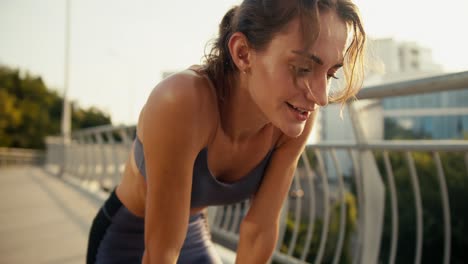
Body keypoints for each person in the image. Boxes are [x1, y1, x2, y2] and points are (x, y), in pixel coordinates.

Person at [86, 0, 367, 263]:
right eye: (303, 68)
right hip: (125, 239)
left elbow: (258, 230)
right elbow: (161, 252)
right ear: (243, 53)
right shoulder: (181, 101)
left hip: (194, 234)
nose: (321, 97)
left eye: (330, 74)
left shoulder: (294, 117)